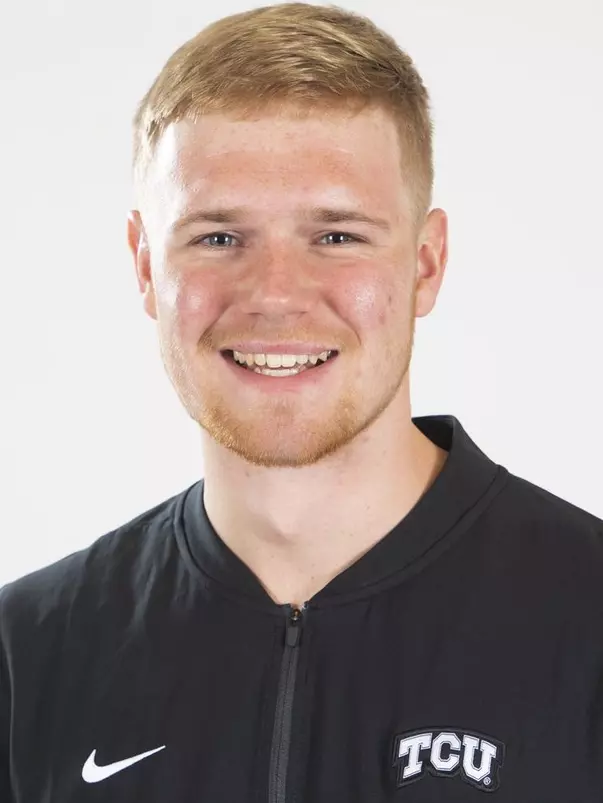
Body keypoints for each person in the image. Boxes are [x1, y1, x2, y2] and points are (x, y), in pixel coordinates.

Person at [1, 2, 602, 801]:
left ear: (424, 265)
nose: (275, 297)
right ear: (146, 267)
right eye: (218, 237)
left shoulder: (586, 620)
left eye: (336, 236)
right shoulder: (29, 653)